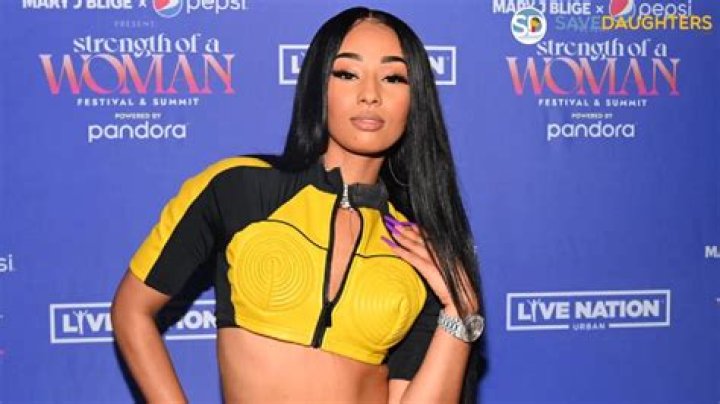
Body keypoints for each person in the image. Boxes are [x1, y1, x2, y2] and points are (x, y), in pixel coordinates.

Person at [111, 6, 484, 404]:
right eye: (347, 73)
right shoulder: (240, 187)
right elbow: (131, 311)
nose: (370, 94)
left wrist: (459, 313)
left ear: (416, 99)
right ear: (317, 85)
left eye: (393, 77)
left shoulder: (417, 245)